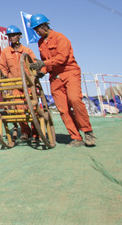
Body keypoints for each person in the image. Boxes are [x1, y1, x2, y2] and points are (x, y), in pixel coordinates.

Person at [28, 13, 96, 148]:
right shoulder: (41, 43)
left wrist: (43, 64)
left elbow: (61, 59)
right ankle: (76, 138)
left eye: (37, 29)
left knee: (75, 100)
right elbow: (46, 63)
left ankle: (87, 131)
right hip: (55, 78)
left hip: (69, 72)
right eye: (35, 30)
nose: (37, 32)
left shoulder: (61, 38)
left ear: (44, 26)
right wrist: (42, 72)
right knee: (63, 109)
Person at [0, 25, 37, 140]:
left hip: (28, 84)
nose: (11, 38)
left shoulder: (27, 51)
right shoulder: (5, 52)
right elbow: (2, 66)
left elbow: (33, 64)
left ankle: (36, 133)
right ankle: (25, 132)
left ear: (20, 36)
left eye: (14, 35)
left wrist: (34, 78)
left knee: (32, 108)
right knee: (19, 110)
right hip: (15, 84)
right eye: (9, 36)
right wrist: (5, 76)